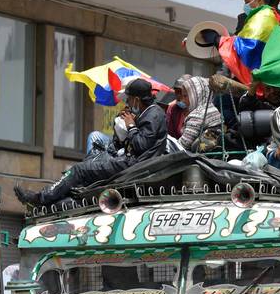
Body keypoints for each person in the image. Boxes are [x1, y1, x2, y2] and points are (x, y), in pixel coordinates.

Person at [14, 79, 167, 207]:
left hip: (133, 164)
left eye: (128, 99)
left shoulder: (153, 115)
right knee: (86, 168)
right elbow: (123, 144)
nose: (127, 102)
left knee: (79, 170)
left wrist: (131, 125)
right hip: (130, 161)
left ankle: (40, 198)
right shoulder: (147, 113)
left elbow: (141, 145)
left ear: (137, 99)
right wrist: (121, 126)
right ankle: (48, 199)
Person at [172, 76, 223, 153]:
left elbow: (183, 144)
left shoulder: (197, 115)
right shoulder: (213, 109)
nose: (183, 100)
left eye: (185, 96)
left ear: (195, 94)